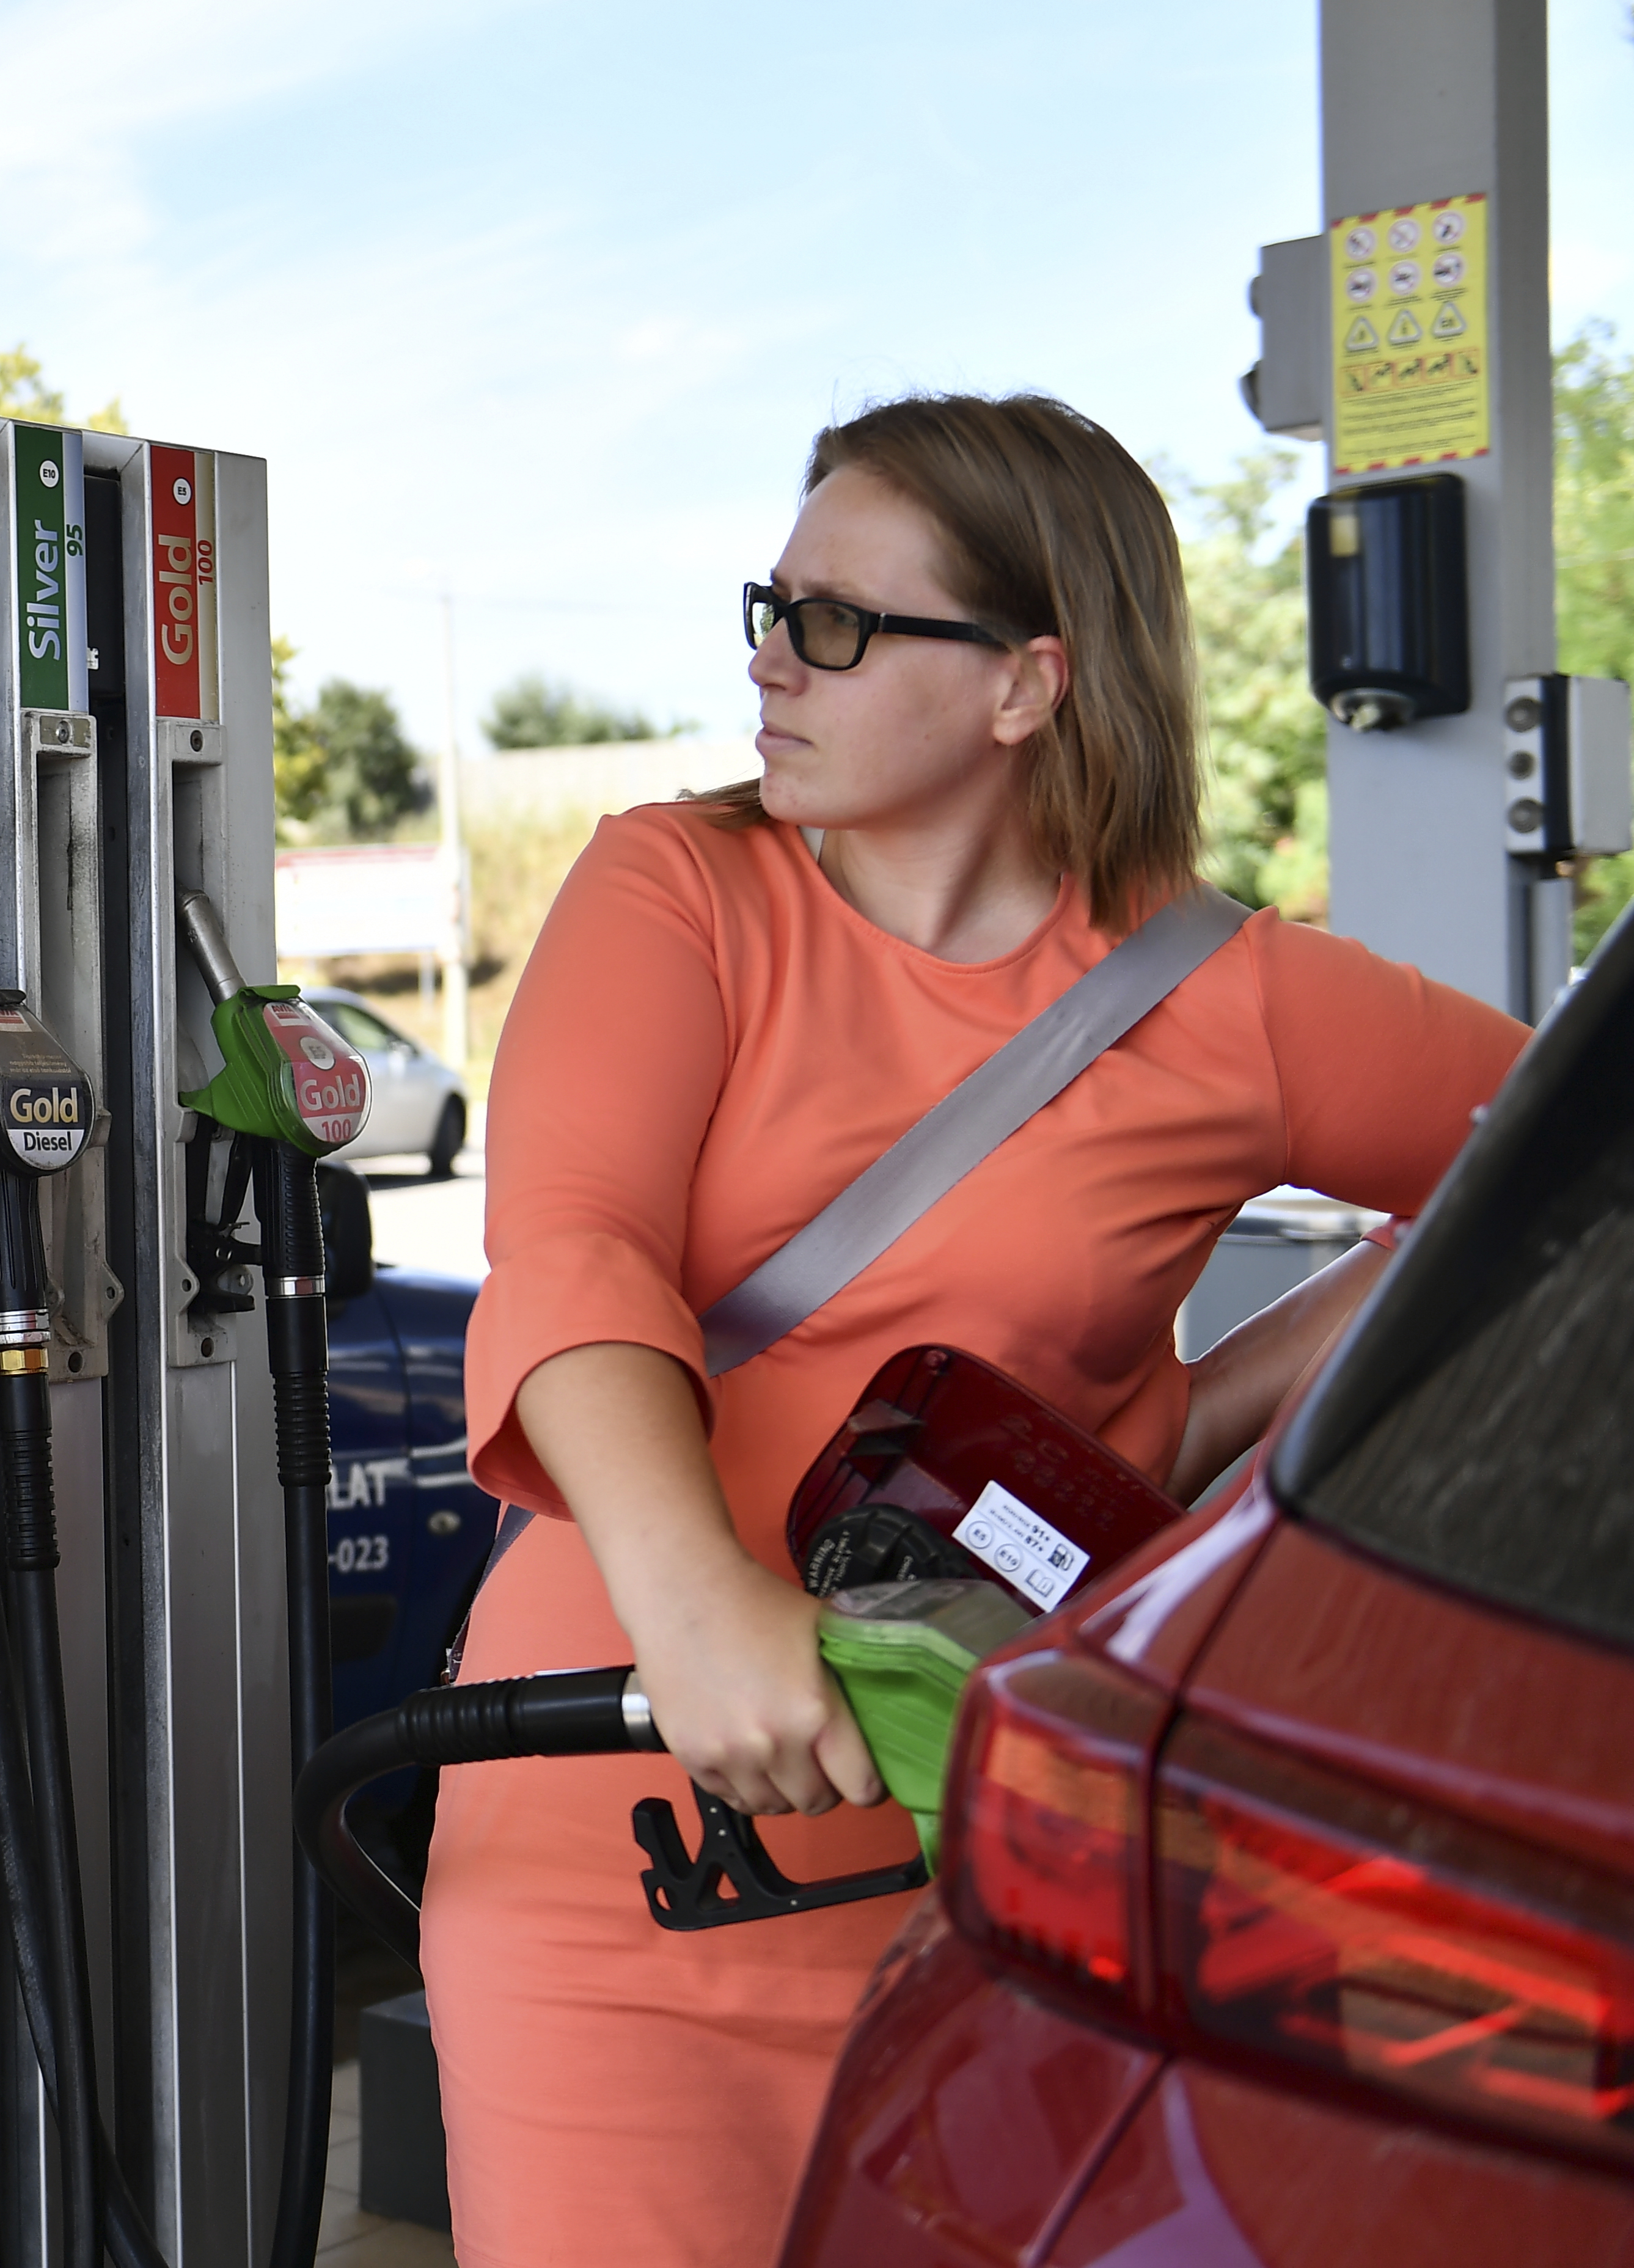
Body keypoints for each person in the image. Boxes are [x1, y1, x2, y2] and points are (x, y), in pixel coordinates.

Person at [422, 392, 1529, 2266]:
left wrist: (1199, 1414)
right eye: (771, 607)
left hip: (999, 1854)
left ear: (1028, 684)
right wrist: (698, 1608)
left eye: (838, 622)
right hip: (618, 1820)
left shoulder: (1229, 999)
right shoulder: (679, 886)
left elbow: (1563, 1166)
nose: (773, 659)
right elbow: (577, 1245)